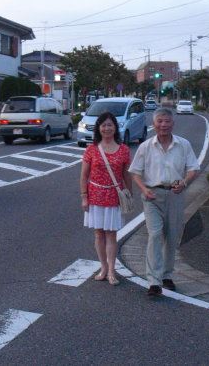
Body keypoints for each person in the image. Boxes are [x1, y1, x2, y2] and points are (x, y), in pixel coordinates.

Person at [129, 108, 200, 296]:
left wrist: (184, 182)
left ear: (172, 124)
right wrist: (144, 189)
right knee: (155, 234)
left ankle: (167, 275)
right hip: (152, 196)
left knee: (172, 236)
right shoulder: (145, 146)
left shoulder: (183, 145)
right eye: (160, 121)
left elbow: (193, 168)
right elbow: (135, 172)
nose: (163, 125)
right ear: (154, 124)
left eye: (167, 121)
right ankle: (154, 281)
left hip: (175, 195)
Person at [80, 111, 132, 286]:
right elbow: (83, 176)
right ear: (99, 128)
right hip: (95, 196)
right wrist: (84, 197)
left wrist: (129, 195)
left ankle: (111, 271)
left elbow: (127, 175)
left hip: (113, 196)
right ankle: (103, 267)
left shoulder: (124, 149)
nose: (107, 128)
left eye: (110, 125)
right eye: (104, 125)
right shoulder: (92, 149)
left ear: (115, 127)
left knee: (111, 235)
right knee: (98, 234)